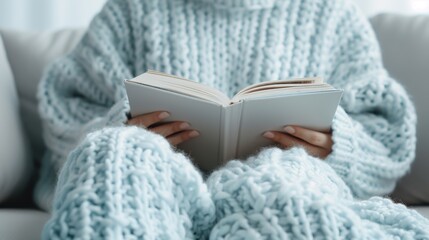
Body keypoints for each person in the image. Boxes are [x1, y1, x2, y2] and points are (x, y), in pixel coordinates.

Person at [36, 0, 429, 239]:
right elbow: (69, 110)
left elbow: (386, 137)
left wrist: (335, 143)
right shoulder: (132, 10)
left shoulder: (333, 15)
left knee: (277, 180)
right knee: (117, 150)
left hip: (289, 177)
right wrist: (125, 126)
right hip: (159, 183)